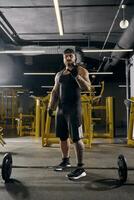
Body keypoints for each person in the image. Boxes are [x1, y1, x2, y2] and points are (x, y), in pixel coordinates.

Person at [48, 48, 91, 180]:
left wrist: (76, 76)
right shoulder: (59, 74)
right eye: (66, 56)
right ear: (63, 58)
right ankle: (66, 161)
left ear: (75, 58)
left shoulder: (81, 71)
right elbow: (55, 92)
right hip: (61, 110)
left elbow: (87, 88)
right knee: (62, 137)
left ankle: (80, 167)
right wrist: (51, 106)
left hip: (74, 110)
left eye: (70, 56)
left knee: (77, 139)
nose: (68, 58)